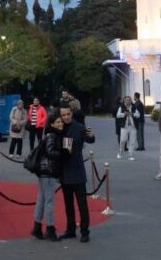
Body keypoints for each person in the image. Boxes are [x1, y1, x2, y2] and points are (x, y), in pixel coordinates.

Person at [55, 104, 94, 243]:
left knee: (82, 204)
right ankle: (70, 229)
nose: (65, 117)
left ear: (72, 113)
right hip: (64, 171)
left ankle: (85, 231)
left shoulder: (79, 127)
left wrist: (91, 135)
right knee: (68, 204)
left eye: (68, 114)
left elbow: (90, 139)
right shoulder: (59, 128)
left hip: (77, 171)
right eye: (63, 115)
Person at [29, 113, 63, 242]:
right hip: (48, 171)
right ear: (52, 124)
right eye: (58, 122)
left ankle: (37, 227)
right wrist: (62, 153)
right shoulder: (53, 136)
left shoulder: (50, 135)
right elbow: (50, 152)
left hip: (42, 170)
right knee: (49, 200)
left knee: (42, 199)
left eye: (61, 122)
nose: (60, 124)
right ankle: (50, 228)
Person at [114, 96, 135, 160]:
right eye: (126, 100)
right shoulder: (121, 107)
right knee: (123, 140)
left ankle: (130, 155)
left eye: (129, 100)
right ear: (124, 101)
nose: (128, 101)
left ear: (131, 101)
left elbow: (138, 115)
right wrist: (124, 114)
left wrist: (133, 114)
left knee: (132, 141)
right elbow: (117, 115)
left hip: (132, 126)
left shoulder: (133, 107)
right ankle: (120, 153)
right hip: (124, 126)